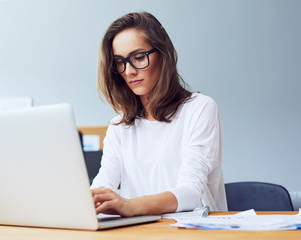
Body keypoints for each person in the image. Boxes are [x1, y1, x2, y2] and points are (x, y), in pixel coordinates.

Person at [91, 12, 227, 217]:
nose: (128, 71)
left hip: (193, 230)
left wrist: (129, 205)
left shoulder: (200, 108)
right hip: (139, 233)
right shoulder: (119, 125)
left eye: (138, 58)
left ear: (163, 55)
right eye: (120, 62)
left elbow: (191, 193)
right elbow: (103, 185)